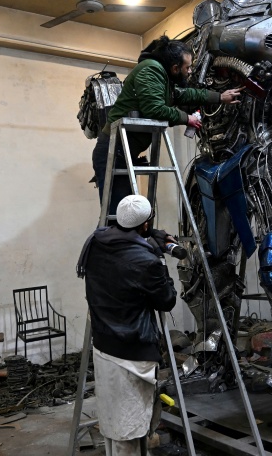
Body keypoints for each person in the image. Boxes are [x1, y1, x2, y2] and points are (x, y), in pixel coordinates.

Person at [91, 35, 244, 214]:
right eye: (187, 67)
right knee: (120, 214)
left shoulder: (164, 79)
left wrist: (219, 97)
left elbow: (185, 94)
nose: (189, 72)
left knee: (127, 214)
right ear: (175, 68)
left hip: (123, 150)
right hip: (113, 150)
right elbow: (154, 109)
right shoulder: (151, 70)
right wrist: (187, 118)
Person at [76, 195, 177, 456]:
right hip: (133, 351)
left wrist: (149, 238)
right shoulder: (146, 261)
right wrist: (159, 258)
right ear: (145, 225)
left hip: (103, 344)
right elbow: (167, 301)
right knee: (131, 421)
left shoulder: (96, 241)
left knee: (115, 418)